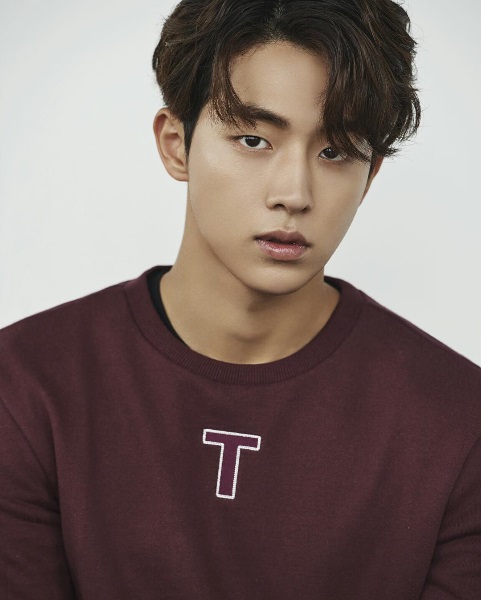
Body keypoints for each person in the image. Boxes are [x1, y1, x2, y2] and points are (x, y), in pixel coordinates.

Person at [1, 0, 480, 598]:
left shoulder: (460, 424)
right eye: (253, 139)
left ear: (371, 175)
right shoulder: (26, 385)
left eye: (335, 151)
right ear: (176, 144)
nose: (294, 193)